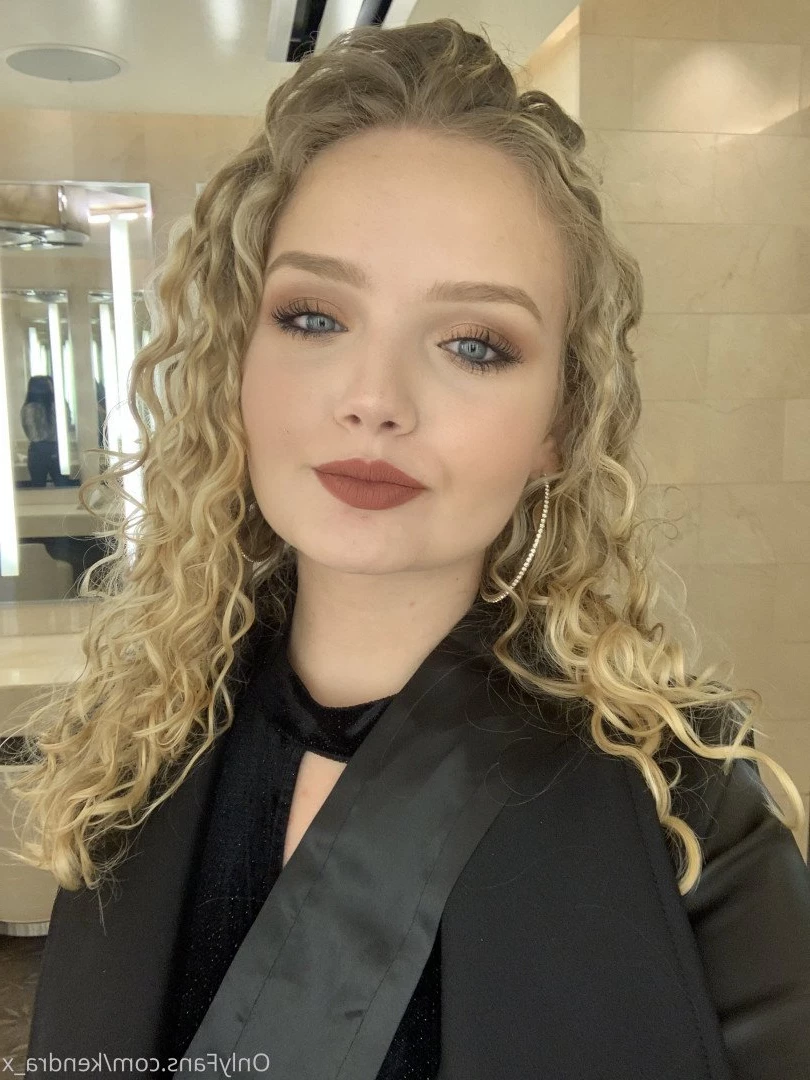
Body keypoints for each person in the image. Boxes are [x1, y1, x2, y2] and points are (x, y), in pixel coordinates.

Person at [5, 18, 809, 1080]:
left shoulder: (687, 805)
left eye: (474, 344)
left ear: (560, 424)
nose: (375, 400)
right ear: (235, 361)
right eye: (313, 317)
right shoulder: (136, 749)